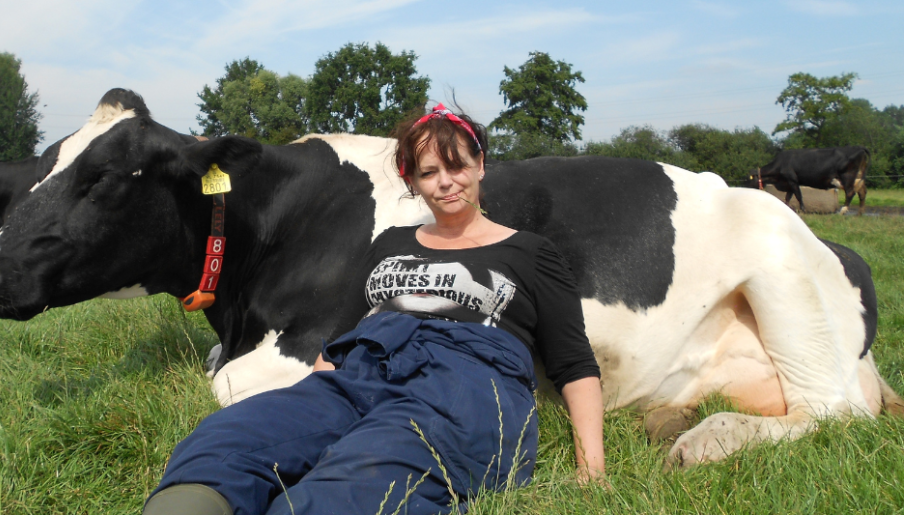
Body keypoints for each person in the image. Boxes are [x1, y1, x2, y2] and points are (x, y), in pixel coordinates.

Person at [143, 103, 604, 515]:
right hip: (364, 370)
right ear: (413, 182)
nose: (445, 182)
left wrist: (592, 470)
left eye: (457, 165)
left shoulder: (529, 251)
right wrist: (309, 407)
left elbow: (574, 364)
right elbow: (342, 331)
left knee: (355, 484)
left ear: (480, 165)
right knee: (225, 441)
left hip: (464, 383)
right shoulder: (392, 242)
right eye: (428, 172)